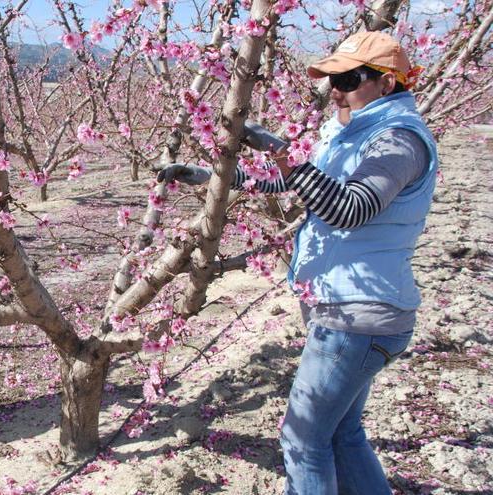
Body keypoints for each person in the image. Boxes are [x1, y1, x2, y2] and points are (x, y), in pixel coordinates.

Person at [158, 31, 436, 494]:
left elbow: (350, 207)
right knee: (343, 433)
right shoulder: (355, 131)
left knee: (303, 439)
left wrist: (286, 158)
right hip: (352, 307)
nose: (337, 90)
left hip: (359, 314)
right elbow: (298, 185)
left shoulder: (397, 141)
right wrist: (214, 176)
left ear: (388, 84)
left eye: (349, 78)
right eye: (332, 80)